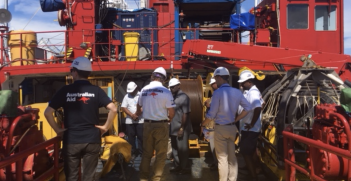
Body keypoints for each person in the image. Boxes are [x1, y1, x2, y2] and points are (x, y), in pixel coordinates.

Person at [44, 56, 117, 181]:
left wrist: (58, 130)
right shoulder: (96, 90)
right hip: (92, 139)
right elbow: (113, 109)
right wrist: (105, 127)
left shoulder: (65, 90)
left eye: (71, 70)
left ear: (75, 72)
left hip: (71, 140)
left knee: (71, 177)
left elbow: (47, 112)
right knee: (89, 177)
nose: (71, 72)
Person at [202, 67, 251, 181]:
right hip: (232, 128)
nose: (215, 81)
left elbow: (211, 115)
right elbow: (248, 108)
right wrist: (236, 119)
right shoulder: (237, 92)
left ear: (219, 78)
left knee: (222, 158)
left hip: (220, 128)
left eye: (215, 78)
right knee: (232, 157)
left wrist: (202, 124)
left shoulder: (218, 93)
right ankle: (232, 179)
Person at [136, 67, 175, 181]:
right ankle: (156, 178)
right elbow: (171, 112)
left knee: (147, 153)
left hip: (147, 124)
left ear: (152, 76)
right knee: (161, 154)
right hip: (161, 125)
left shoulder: (143, 90)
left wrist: (138, 113)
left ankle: (143, 178)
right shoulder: (166, 91)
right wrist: (170, 119)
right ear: (163, 79)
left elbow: (139, 107)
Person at [237, 70, 263, 181]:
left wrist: (252, 123)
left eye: (243, 83)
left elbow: (258, 108)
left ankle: (253, 176)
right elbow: (262, 102)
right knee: (251, 150)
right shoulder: (249, 91)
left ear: (249, 82)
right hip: (247, 127)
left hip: (251, 128)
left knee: (245, 151)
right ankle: (252, 167)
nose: (241, 85)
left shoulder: (253, 93)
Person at [168, 78, 191, 174]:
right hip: (173, 128)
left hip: (181, 128)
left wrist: (181, 128)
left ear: (178, 86)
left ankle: (184, 168)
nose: (172, 88)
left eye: (173, 87)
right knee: (175, 149)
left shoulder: (184, 97)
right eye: (170, 87)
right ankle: (177, 166)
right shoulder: (172, 97)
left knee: (182, 150)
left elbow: (186, 114)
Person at [121, 81, 144, 160]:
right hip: (130, 121)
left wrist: (136, 115)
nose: (130, 92)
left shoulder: (141, 95)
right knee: (131, 138)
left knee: (141, 137)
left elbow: (144, 106)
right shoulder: (126, 96)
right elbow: (124, 107)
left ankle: (142, 152)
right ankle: (133, 152)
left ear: (135, 89)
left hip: (140, 120)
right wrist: (132, 115)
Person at [203, 77, 218, 170]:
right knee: (213, 145)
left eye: (213, 84)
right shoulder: (215, 94)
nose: (212, 86)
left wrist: (209, 105)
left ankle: (218, 164)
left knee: (215, 146)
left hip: (215, 125)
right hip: (213, 125)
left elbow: (216, 109)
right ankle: (216, 162)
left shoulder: (218, 94)